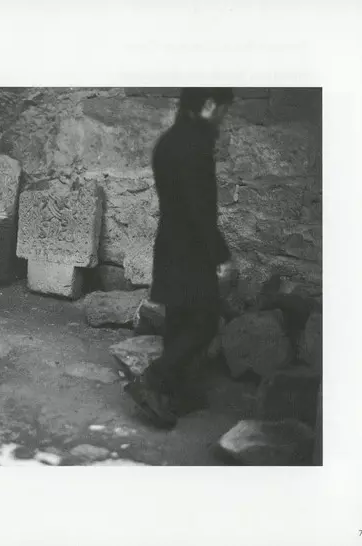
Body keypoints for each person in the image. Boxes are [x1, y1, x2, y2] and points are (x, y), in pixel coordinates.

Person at [124, 87, 236, 429]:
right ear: (209, 104)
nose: (223, 119)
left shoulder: (168, 142)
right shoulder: (195, 146)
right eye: (223, 110)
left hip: (170, 244)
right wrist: (222, 255)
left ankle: (175, 393)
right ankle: (152, 380)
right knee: (204, 323)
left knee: (178, 321)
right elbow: (199, 209)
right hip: (192, 248)